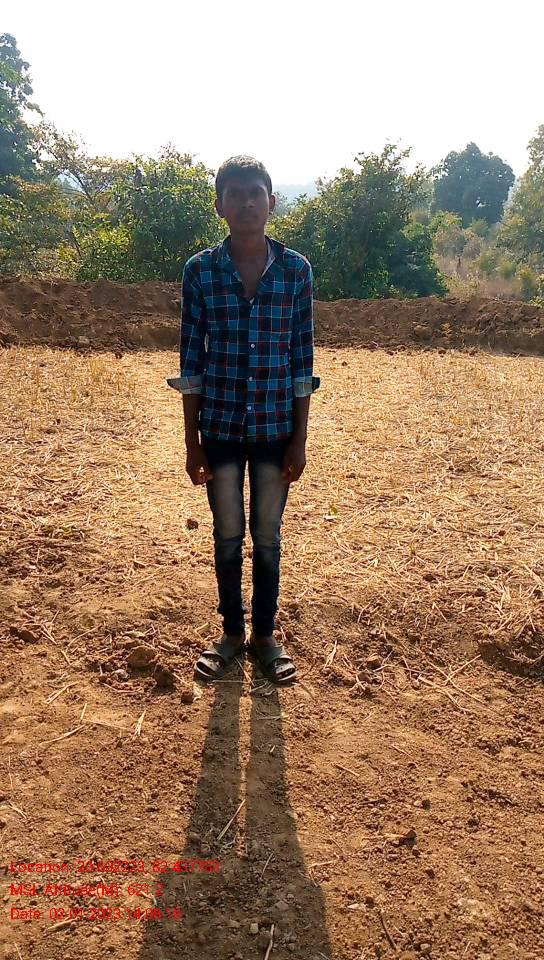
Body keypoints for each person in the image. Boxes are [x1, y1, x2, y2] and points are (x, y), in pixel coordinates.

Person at [167, 156, 320, 685]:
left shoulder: (296, 272)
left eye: (255, 192)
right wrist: (192, 442)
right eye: (235, 194)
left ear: (272, 201)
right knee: (228, 534)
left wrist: (300, 440)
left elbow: (302, 362)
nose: (247, 202)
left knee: (268, 536)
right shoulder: (200, 271)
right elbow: (191, 361)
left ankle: (265, 636)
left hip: (277, 429)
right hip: (222, 427)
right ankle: (232, 633)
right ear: (220, 206)